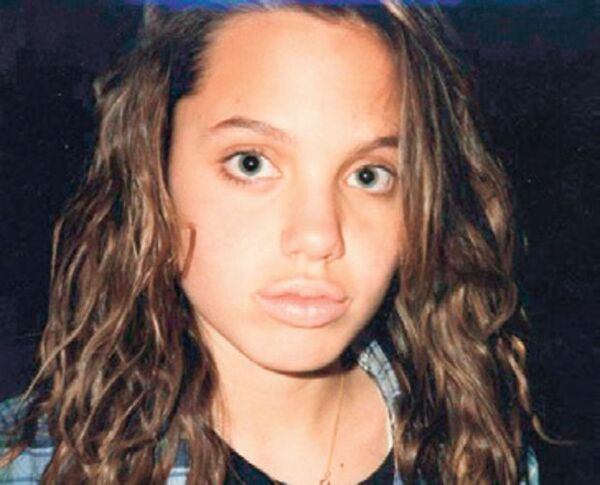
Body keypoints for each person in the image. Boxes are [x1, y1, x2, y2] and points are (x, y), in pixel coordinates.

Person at [0, 1, 541, 483]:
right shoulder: (28, 465)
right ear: (153, 171)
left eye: (369, 175)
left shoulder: (480, 454)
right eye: (251, 163)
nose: (318, 236)